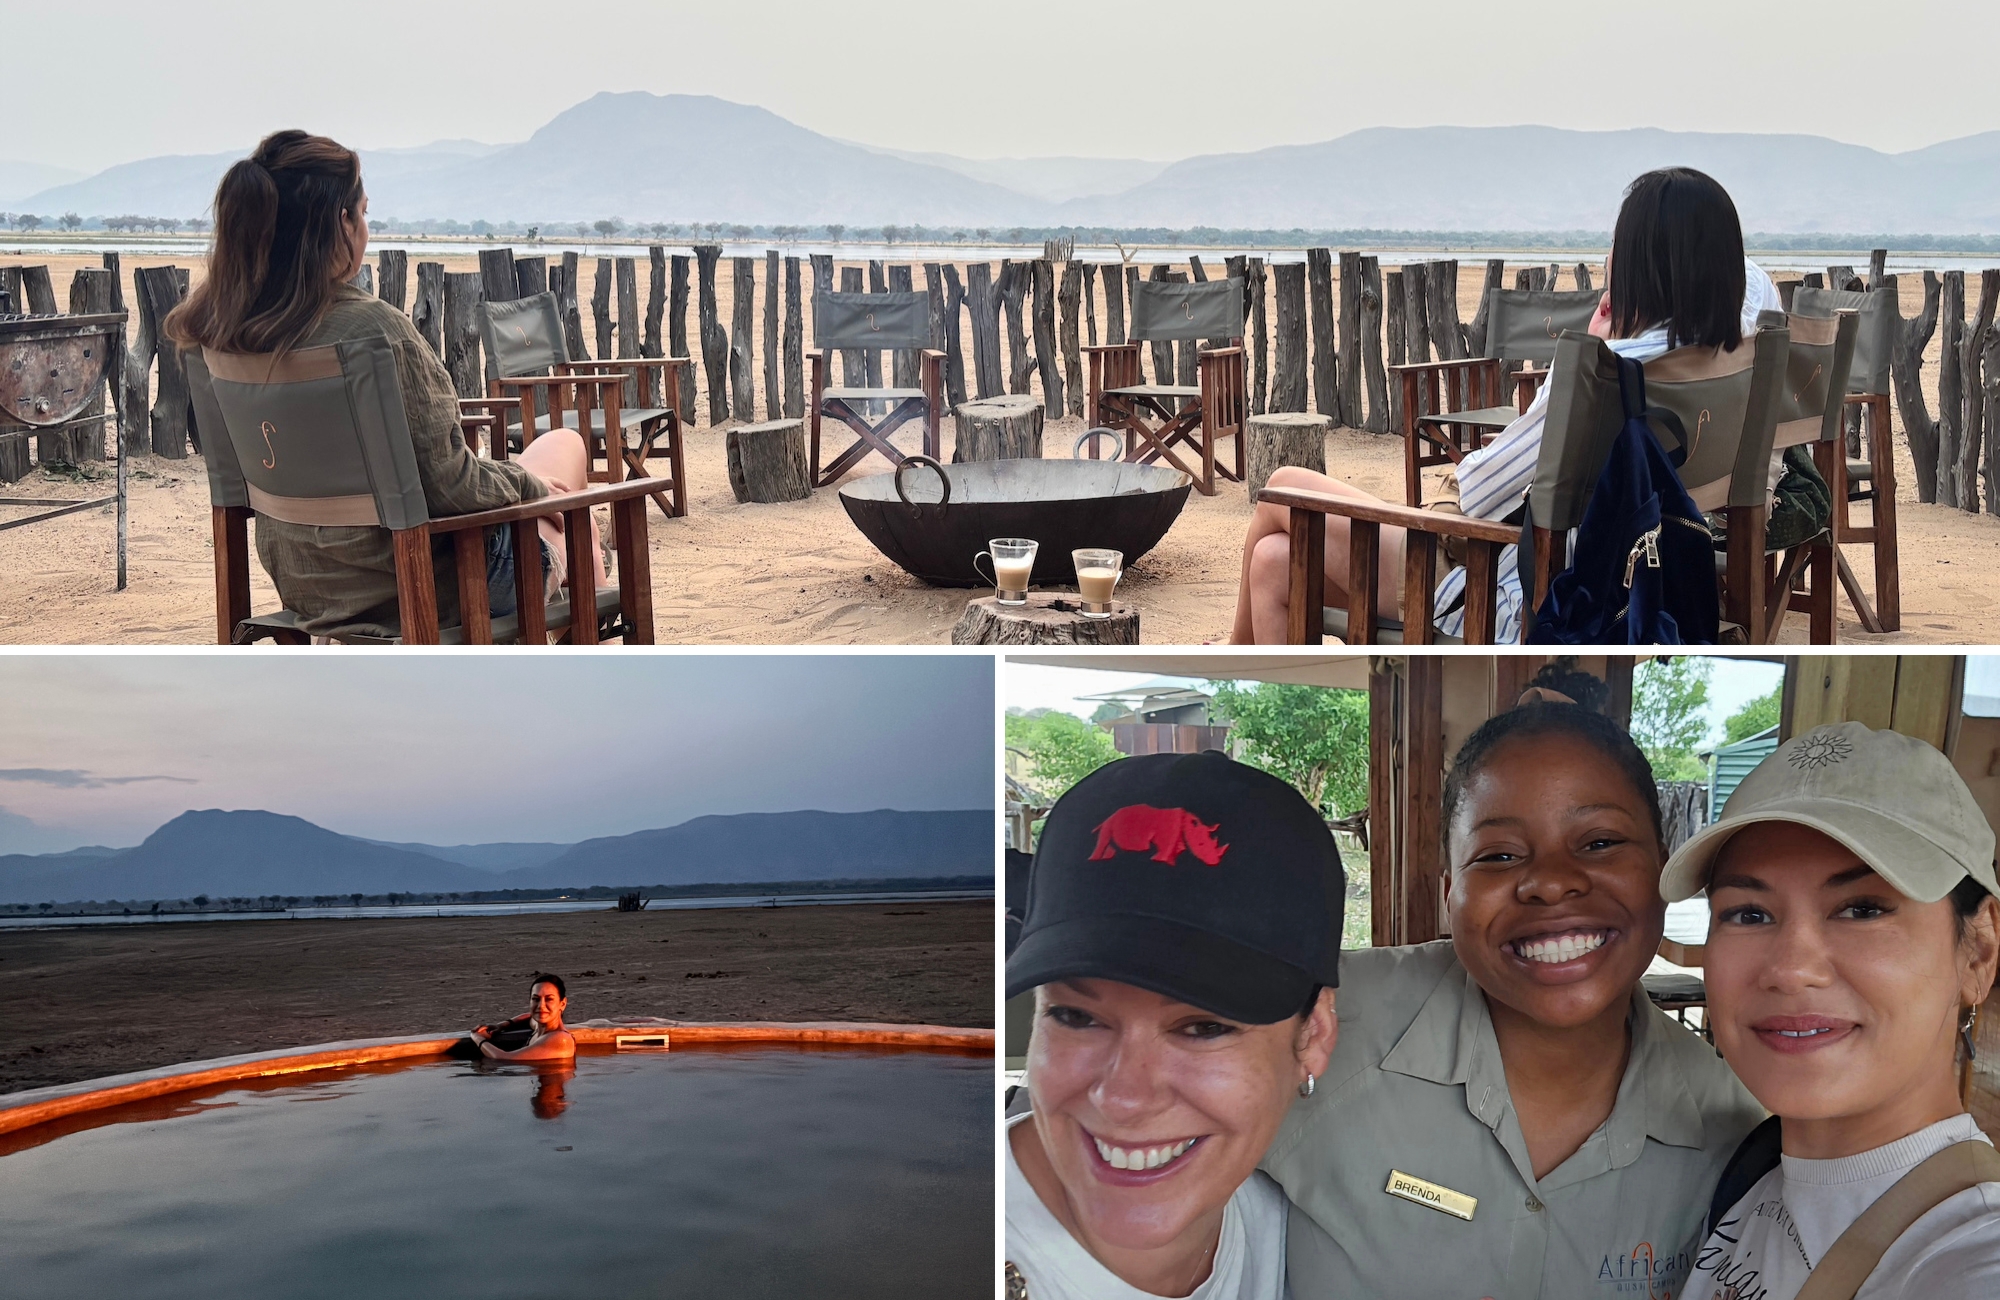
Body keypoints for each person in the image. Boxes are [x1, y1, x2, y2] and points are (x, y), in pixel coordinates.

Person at [1261, 697, 1764, 1299]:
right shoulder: (1314, 1024)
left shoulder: (1738, 1141)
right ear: (1450, 894)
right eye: (1498, 855)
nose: (1551, 881)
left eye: (1600, 842)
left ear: (1662, 866)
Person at [1230, 166, 1783, 644]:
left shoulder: (1605, 373)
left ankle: (1231, 652)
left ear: (1638, 265)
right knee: (1274, 563)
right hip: (1629, 578)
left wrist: (1587, 352)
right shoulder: (1737, 362)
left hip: (1503, 589)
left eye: (1617, 246)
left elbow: (1478, 492)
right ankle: (1236, 659)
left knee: (1282, 486)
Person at [163, 129, 603, 640]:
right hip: (430, 585)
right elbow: (451, 486)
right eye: (364, 212)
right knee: (574, 497)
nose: (366, 228)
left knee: (556, 460)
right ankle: (584, 650)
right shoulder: (372, 331)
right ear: (341, 223)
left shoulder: (218, 335)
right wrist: (527, 484)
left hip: (307, 582)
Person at [1663, 722, 2000, 1300]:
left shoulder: (1971, 1253)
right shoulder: (1743, 1174)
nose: (1791, 969)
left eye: (1862, 909)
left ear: (1979, 953)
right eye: (1749, 914)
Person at [1004, 750, 1344, 1299]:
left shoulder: (1304, 1242)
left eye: (1204, 1027)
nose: (1125, 1098)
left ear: (1315, 1035)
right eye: (1075, 1016)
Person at [470, 973, 577, 1062]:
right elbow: (529, 1017)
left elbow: (503, 1058)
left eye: (549, 999)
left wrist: (478, 1038)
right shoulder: (540, 1027)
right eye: (536, 999)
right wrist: (502, 1025)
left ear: (562, 1004)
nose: (541, 1006)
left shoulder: (561, 1039)